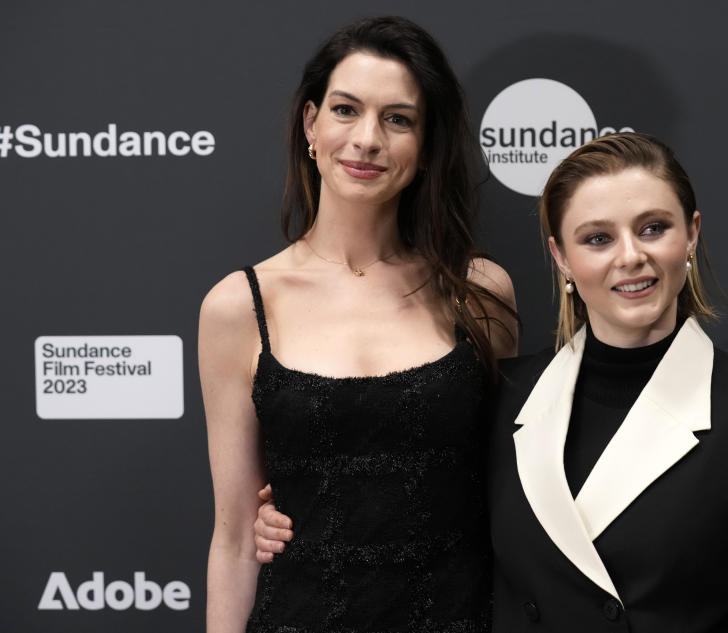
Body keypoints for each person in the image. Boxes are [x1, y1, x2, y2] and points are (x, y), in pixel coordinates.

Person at [255, 132, 728, 632]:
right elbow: (412, 517)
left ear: (692, 235)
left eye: (653, 228)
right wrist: (291, 512)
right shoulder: (502, 396)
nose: (630, 257)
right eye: (598, 238)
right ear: (561, 257)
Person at [200, 16, 516, 633]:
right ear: (310, 125)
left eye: (397, 119)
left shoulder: (479, 293)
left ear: (425, 147)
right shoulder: (238, 307)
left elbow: (507, 495)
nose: (367, 139)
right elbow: (236, 542)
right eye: (346, 110)